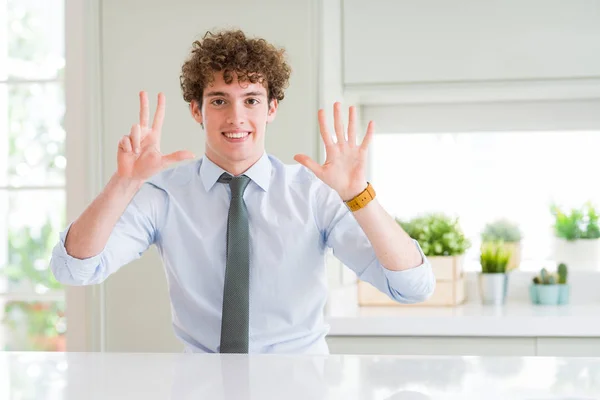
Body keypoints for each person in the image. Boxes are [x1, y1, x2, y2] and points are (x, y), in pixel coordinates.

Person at [50, 29, 435, 354]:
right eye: (219, 101)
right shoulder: (162, 194)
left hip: (300, 385)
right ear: (196, 111)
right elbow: (74, 269)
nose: (236, 117)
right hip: (200, 387)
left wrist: (358, 195)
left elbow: (412, 288)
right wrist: (124, 184)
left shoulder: (314, 193)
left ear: (271, 109)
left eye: (251, 100)